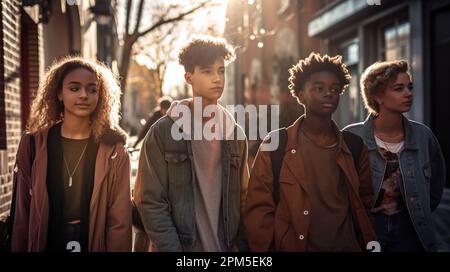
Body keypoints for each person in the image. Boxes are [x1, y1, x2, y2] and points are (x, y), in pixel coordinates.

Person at [245, 52, 377, 252]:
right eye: (318, 88)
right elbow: (258, 209)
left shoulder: (354, 146)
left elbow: (365, 202)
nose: (328, 93)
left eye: (335, 89)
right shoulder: (276, 145)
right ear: (300, 95)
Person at [133, 35, 249, 252]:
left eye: (221, 70)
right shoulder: (163, 132)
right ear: (189, 77)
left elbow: (244, 200)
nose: (217, 79)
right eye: (207, 71)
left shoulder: (234, 133)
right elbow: (149, 201)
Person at [12, 56, 132, 252]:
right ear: (59, 93)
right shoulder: (33, 144)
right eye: (74, 88)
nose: (84, 95)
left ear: (100, 96)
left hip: (91, 243)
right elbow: (21, 214)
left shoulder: (115, 151)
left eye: (92, 90)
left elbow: (120, 222)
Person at [344, 60, 446, 252]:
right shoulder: (352, 137)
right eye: (399, 88)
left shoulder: (423, 136)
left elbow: (436, 186)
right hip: (368, 229)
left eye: (410, 87)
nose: (409, 93)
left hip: (412, 229)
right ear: (377, 96)